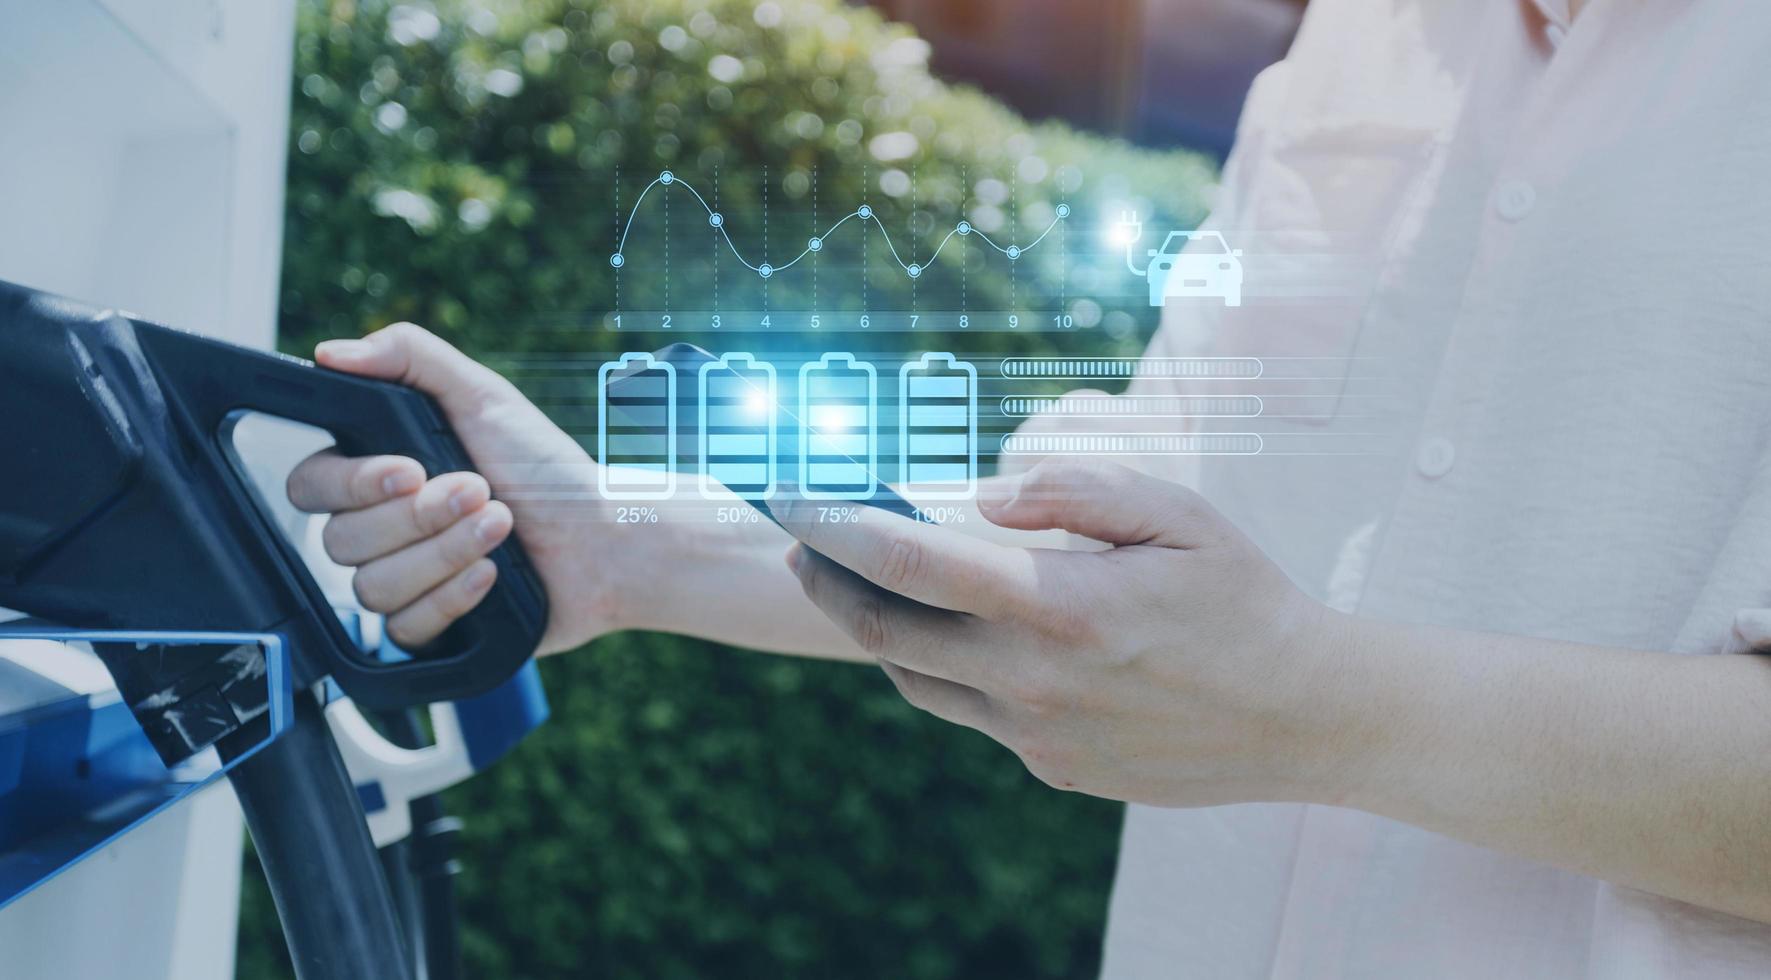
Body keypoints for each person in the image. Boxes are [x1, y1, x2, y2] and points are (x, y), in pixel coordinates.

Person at [285, 0, 1771, 974]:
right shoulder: (1358, 46)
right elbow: (1135, 528)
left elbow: (1265, 659)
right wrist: (624, 544)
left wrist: (1312, 701)